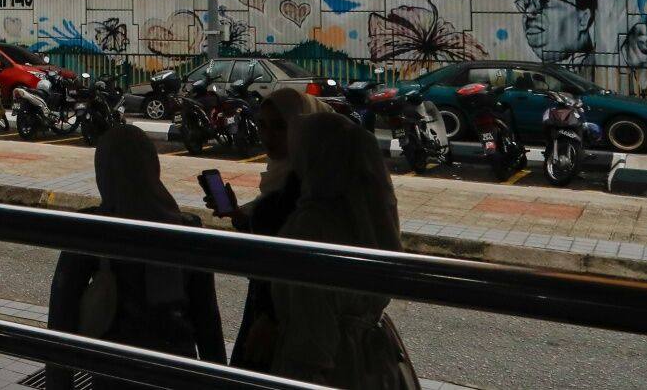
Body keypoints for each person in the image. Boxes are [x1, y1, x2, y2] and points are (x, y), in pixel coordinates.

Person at [45, 124, 224, 388]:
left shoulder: (92, 230)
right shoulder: (186, 229)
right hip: (177, 368)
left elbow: (61, 315)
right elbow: (206, 318)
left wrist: (58, 384)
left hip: (115, 371)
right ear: (152, 166)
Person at [270, 112, 421, 389]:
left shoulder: (312, 226)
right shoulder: (372, 214)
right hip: (377, 363)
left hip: (336, 367)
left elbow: (311, 338)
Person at [212, 85, 322, 369]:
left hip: (289, 314)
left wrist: (271, 316)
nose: (267, 136)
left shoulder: (310, 186)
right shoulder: (282, 175)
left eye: (279, 127)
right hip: (265, 304)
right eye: (262, 125)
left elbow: (291, 250)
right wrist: (239, 215)